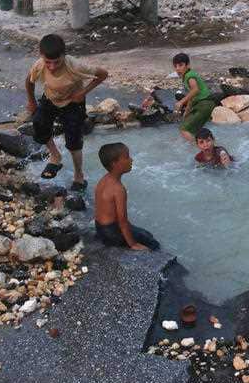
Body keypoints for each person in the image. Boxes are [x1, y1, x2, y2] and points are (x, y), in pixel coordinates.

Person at [26, 34, 108, 191]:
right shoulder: (39, 65)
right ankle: (55, 155)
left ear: (64, 55)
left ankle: (79, 175)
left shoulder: (75, 66)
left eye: (56, 62)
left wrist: (83, 92)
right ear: (41, 56)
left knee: (73, 142)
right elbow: (29, 82)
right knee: (39, 123)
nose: (51, 66)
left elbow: (103, 74)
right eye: (48, 62)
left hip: (73, 103)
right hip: (50, 99)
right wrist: (31, 101)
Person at [94, 142, 160, 250]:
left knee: (145, 233)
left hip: (100, 228)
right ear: (115, 163)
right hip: (111, 233)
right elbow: (122, 221)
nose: (131, 160)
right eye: (127, 157)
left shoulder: (103, 180)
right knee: (152, 243)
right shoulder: (118, 189)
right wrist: (133, 244)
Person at [172, 53, 216, 144]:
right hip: (204, 104)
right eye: (175, 66)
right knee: (194, 131)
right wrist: (187, 111)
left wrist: (181, 102)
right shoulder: (187, 76)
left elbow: (195, 90)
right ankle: (211, 147)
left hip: (204, 104)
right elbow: (192, 97)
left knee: (184, 129)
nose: (177, 69)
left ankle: (198, 149)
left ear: (187, 65)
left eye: (180, 65)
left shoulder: (189, 76)